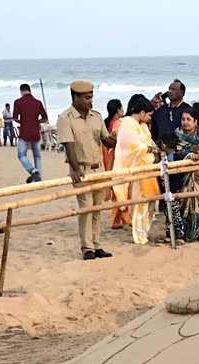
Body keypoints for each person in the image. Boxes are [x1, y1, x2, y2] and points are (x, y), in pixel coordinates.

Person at [57, 80, 114, 260]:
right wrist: (75, 170)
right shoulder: (65, 119)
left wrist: (116, 139)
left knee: (97, 208)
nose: (91, 101)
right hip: (82, 169)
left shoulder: (96, 117)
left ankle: (97, 245)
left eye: (91, 97)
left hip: (99, 168)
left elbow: (106, 140)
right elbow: (69, 146)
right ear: (76, 97)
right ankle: (87, 247)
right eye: (87, 98)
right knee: (86, 208)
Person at [111, 94, 158, 245]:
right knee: (139, 203)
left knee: (150, 203)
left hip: (149, 169)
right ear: (142, 112)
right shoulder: (127, 124)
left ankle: (145, 231)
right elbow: (132, 146)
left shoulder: (142, 125)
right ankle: (139, 235)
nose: (150, 118)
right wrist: (150, 149)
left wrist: (153, 150)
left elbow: (148, 142)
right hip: (138, 169)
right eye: (149, 114)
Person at [172, 106, 199, 243]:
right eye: (183, 119)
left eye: (188, 119)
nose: (185, 122)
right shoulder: (177, 134)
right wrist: (192, 155)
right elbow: (178, 151)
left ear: (195, 121)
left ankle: (194, 233)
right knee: (184, 204)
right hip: (182, 175)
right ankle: (182, 235)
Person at [102, 99, 129, 230]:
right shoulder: (116, 124)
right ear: (118, 110)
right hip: (115, 157)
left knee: (117, 189)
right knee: (119, 189)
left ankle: (119, 219)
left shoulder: (106, 122)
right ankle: (117, 220)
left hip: (108, 157)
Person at [13, 83, 48, 183]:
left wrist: (22, 122)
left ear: (21, 91)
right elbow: (44, 118)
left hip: (24, 132)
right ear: (30, 90)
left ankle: (33, 170)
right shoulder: (38, 102)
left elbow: (15, 118)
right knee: (37, 156)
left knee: (21, 155)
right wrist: (37, 121)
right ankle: (38, 177)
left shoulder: (18, 102)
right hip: (35, 132)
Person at [152, 79, 190, 147]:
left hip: (182, 150)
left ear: (182, 93)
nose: (170, 91)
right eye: (169, 89)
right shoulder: (160, 111)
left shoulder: (188, 110)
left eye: (173, 89)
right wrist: (153, 103)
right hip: (162, 150)